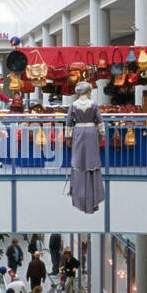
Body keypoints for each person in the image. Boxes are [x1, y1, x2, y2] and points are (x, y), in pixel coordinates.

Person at [64, 81, 105, 214]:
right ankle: (93, 195)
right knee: (91, 162)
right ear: (88, 92)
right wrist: (102, 134)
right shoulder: (93, 104)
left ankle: (78, 193)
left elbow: (69, 123)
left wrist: (68, 138)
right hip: (91, 133)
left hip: (79, 133)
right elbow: (100, 121)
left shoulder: (73, 105)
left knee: (79, 161)